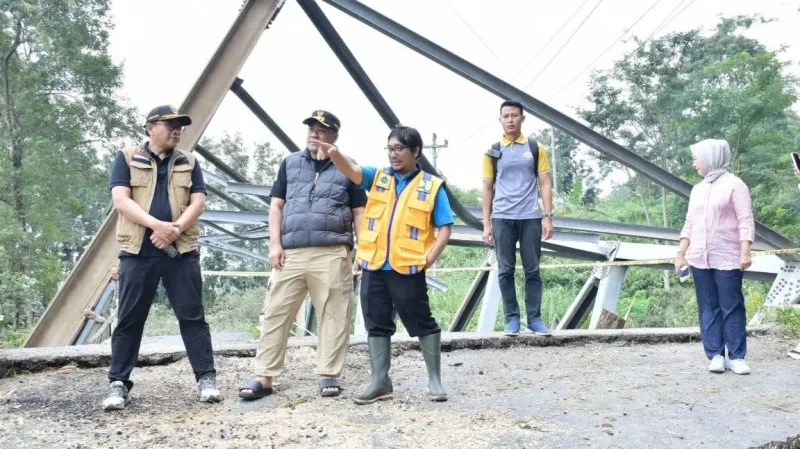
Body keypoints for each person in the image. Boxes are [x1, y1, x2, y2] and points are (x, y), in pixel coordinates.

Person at [317, 125, 454, 404]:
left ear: (415, 151)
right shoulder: (377, 177)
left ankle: (434, 380)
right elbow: (351, 170)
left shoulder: (431, 185)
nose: (393, 154)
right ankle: (380, 382)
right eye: (390, 148)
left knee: (422, 321)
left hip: (408, 267)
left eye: (399, 148)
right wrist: (334, 154)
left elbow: (445, 227)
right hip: (374, 265)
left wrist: (429, 259)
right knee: (376, 323)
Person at [238, 110, 366, 400]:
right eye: (311, 128)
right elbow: (276, 206)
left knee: (334, 314)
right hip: (291, 252)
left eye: (321, 129)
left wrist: (362, 251)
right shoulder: (290, 163)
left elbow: (359, 211)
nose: (314, 134)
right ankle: (264, 377)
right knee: (275, 312)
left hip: (332, 251)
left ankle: (328, 374)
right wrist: (275, 245)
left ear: (334, 135)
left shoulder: (349, 167)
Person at [104, 105, 220, 410]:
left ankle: (206, 379)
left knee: (192, 317)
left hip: (181, 252)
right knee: (129, 318)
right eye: (170, 125)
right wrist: (157, 226)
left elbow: (198, 202)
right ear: (150, 127)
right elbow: (121, 201)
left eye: (180, 126)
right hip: (137, 252)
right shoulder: (127, 158)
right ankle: (118, 383)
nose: (177, 130)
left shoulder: (189, 161)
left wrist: (174, 229)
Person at [675, 139, 754, 375]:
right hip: (699, 257)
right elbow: (689, 223)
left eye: (696, 158)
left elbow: (745, 220)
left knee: (731, 306)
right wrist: (680, 253)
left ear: (711, 158)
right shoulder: (697, 189)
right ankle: (716, 355)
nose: (694, 164)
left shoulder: (735, 185)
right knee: (708, 306)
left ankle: (737, 356)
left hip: (728, 256)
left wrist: (745, 250)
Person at [481, 100, 554, 336]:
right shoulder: (492, 151)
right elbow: (487, 188)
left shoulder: (535, 148)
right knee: (505, 269)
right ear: (500, 120)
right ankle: (511, 319)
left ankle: (534, 319)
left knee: (533, 269)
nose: (510, 120)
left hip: (530, 216)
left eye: (514, 115)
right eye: (506, 116)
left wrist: (547, 216)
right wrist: (486, 224)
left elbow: (545, 183)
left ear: (522, 118)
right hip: (502, 217)